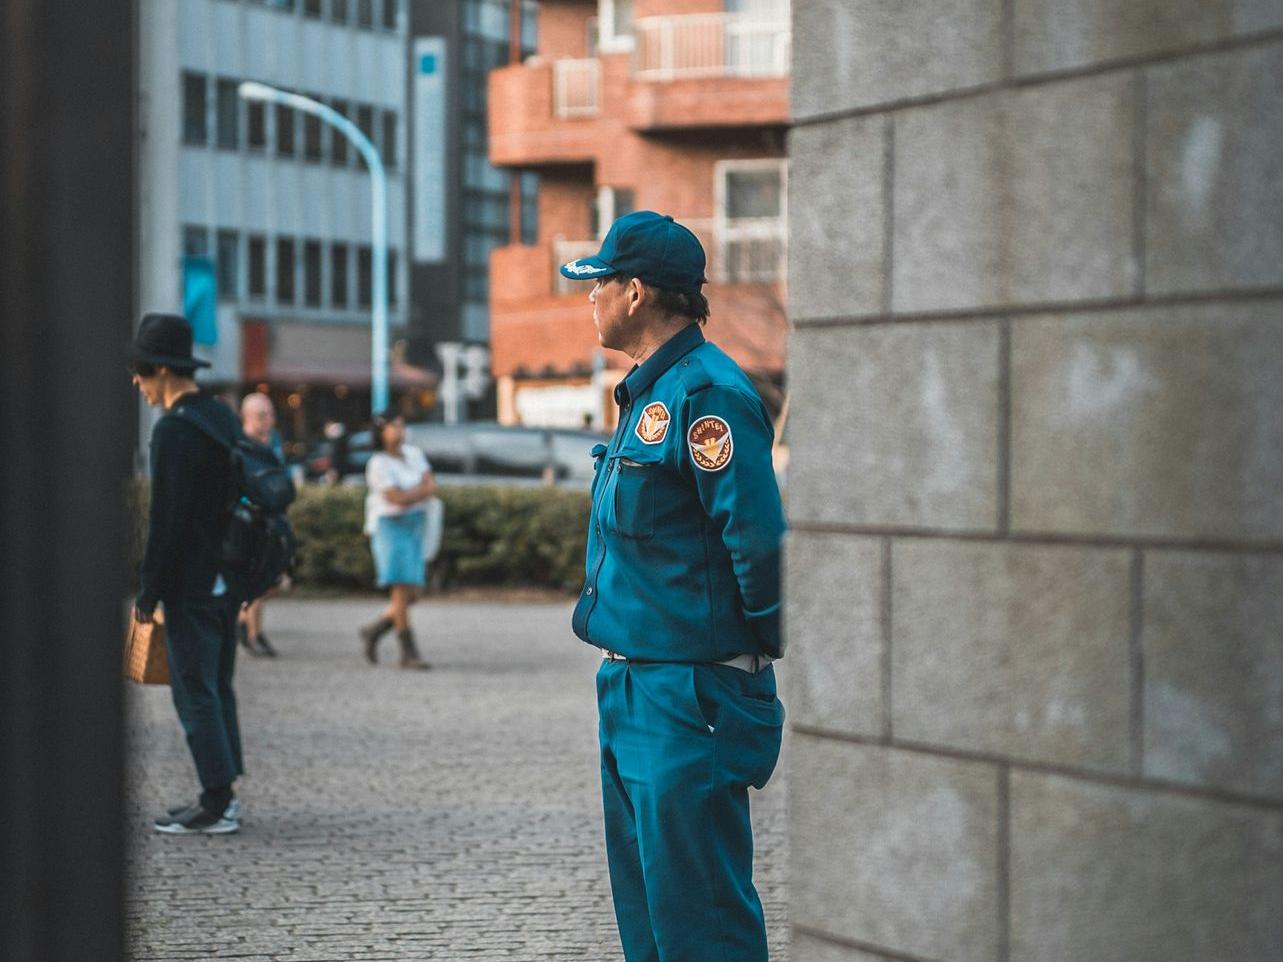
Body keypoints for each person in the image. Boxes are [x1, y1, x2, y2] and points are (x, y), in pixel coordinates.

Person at [559, 211, 787, 962]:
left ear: (635, 293)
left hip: (689, 692)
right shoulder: (646, 395)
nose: (589, 297)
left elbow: (758, 541)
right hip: (631, 685)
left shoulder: (706, 395)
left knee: (701, 925)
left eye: (598, 282)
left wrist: (745, 658)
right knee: (650, 923)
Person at [130, 313, 244, 835]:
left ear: (160, 370)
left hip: (191, 582)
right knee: (217, 686)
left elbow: (166, 520)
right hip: (227, 575)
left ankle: (217, 804)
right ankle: (223, 792)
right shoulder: (219, 416)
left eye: (139, 374)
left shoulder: (174, 430)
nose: (137, 384)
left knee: (194, 691)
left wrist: (148, 591)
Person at [358, 412, 435, 669]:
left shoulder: (413, 454)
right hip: (390, 526)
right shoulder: (378, 463)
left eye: (401, 425)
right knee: (401, 589)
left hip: (415, 524)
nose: (399, 431)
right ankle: (408, 652)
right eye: (393, 426)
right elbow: (395, 498)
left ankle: (375, 629)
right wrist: (418, 492)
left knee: (414, 592)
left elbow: (430, 485)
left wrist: (411, 494)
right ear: (381, 432)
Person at [236, 392, 285, 657]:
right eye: (262, 415)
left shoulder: (272, 444)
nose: (268, 420)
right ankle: (251, 631)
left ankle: (249, 626)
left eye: (270, 414)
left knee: (270, 580)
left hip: (271, 520)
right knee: (256, 577)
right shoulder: (241, 447)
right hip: (248, 523)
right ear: (246, 418)